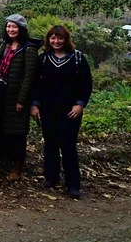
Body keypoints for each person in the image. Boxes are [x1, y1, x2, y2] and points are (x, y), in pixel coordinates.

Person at [31, 24, 93, 199]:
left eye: (59, 38)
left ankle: (73, 184)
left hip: (69, 110)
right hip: (48, 108)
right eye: (53, 38)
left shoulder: (77, 59)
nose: (56, 41)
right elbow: (36, 84)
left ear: (66, 40)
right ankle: (51, 178)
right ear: (48, 40)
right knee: (50, 143)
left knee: (68, 145)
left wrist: (80, 104)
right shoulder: (44, 59)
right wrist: (34, 104)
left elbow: (86, 84)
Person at [0, 13, 39, 181]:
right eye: (8, 26)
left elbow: (29, 77)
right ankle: (2, 161)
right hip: (1, 94)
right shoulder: (5, 45)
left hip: (16, 97)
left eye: (14, 27)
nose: (11, 29)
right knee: (1, 128)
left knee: (18, 132)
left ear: (21, 29)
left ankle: (18, 167)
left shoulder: (29, 49)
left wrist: (22, 100)